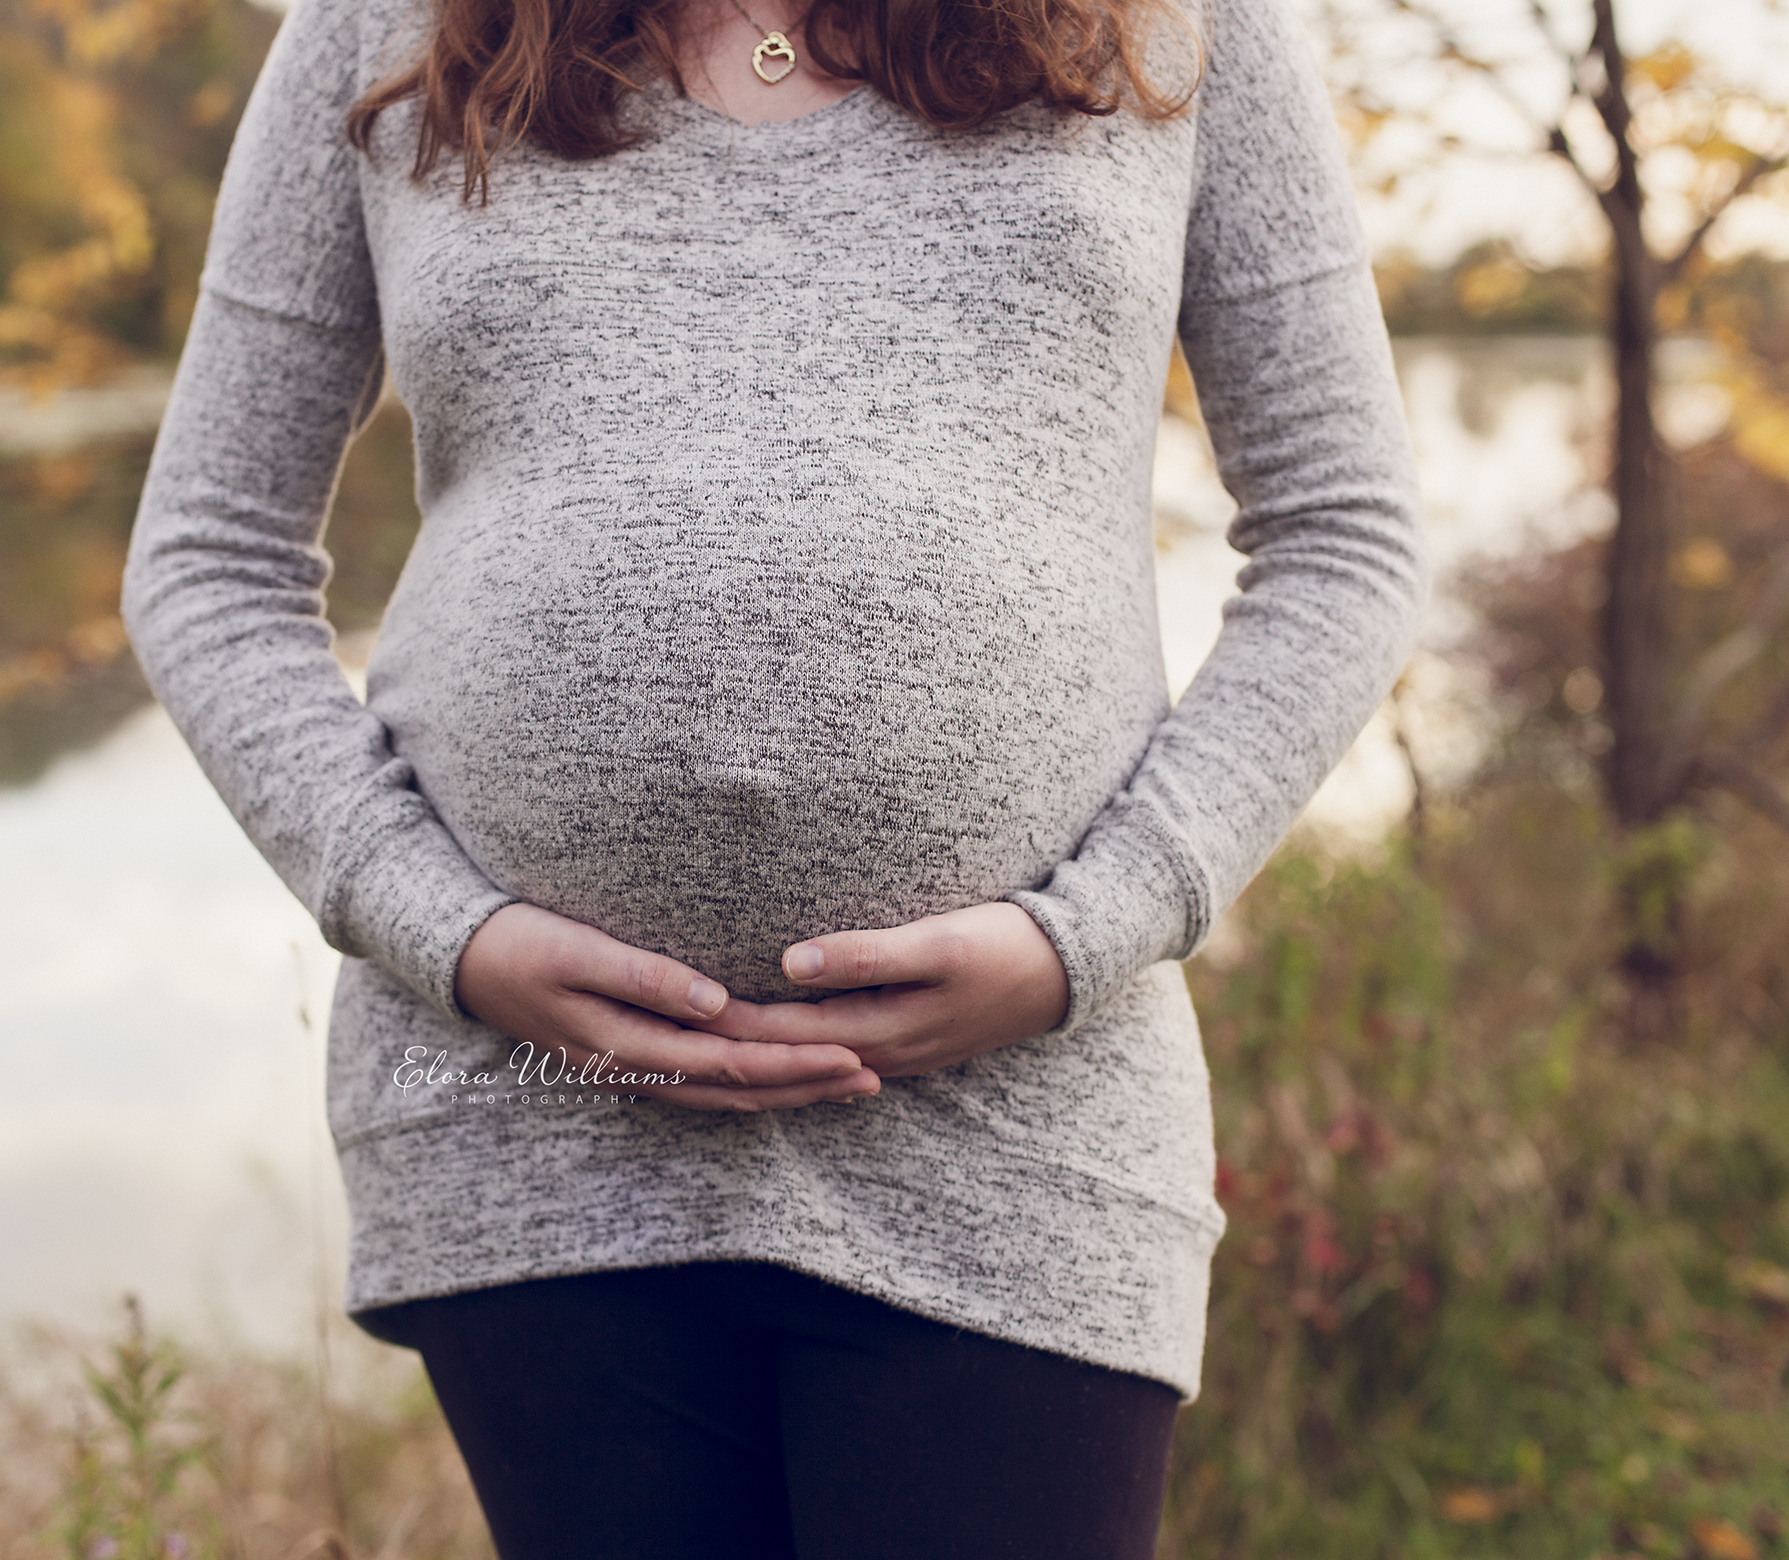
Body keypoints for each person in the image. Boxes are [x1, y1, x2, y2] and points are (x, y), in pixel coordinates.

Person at [118, 0, 1428, 1547]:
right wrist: (442, 934)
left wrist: (1095, 929)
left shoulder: (1174, 24)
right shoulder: (388, 28)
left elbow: (1348, 537)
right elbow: (209, 561)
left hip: (1021, 1116)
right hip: (531, 1110)